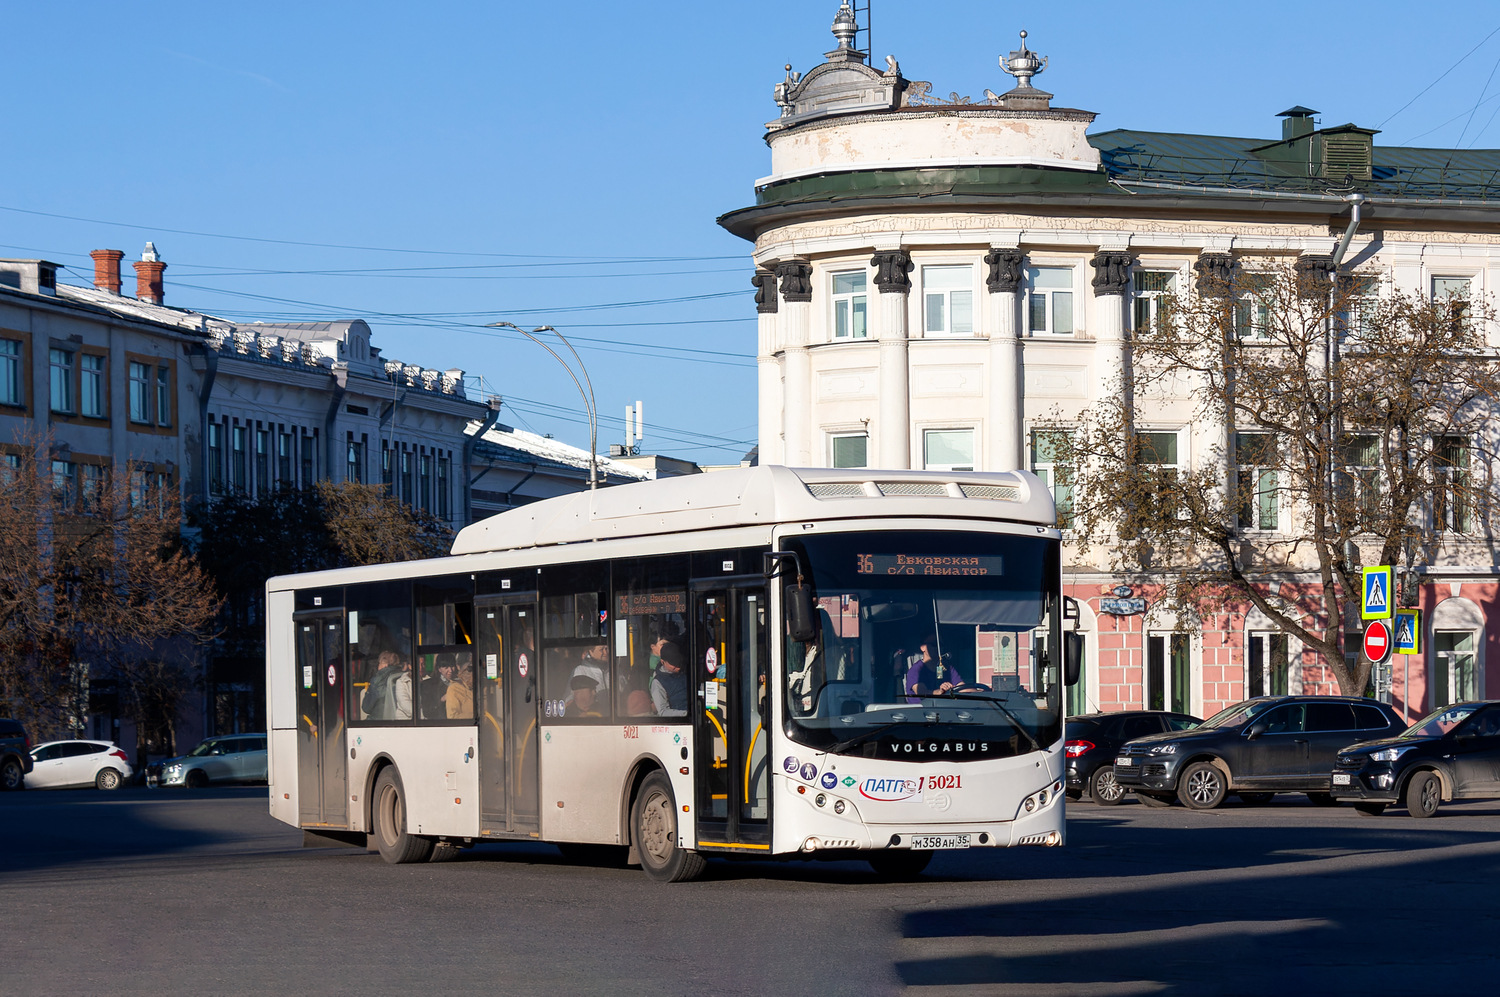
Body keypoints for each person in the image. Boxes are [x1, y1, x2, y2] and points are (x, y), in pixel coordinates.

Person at [905, 635, 964, 701]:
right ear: (922, 647)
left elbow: (963, 687)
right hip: (923, 710)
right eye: (934, 644)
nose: (938, 648)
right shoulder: (916, 670)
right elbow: (921, 693)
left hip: (945, 709)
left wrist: (975, 692)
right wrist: (940, 691)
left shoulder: (947, 668)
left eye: (941, 645)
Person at [651, 640, 688, 717]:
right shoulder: (657, 682)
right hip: (682, 719)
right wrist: (686, 713)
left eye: (679, 663)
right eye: (674, 665)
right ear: (662, 662)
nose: (678, 668)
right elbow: (663, 712)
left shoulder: (687, 670)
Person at [420, 656, 455, 720]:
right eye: (446, 667)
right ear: (439, 669)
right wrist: (441, 700)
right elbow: (427, 712)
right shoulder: (428, 685)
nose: (450, 670)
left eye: (452, 666)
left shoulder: (461, 683)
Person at [391, 656, 414, 720]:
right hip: (406, 721)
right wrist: (426, 712)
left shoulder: (428, 680)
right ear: (410, 666)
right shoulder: (401, 682)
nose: (421, 667)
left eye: (423, 664)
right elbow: (406, 706)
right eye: (419, 664)